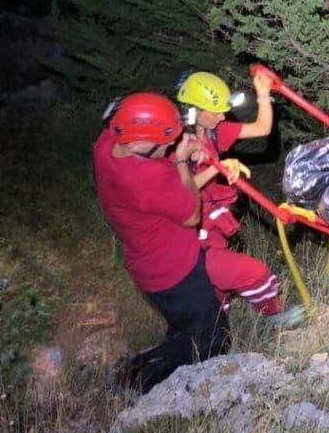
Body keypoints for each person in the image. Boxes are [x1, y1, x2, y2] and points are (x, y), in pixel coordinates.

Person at [94, 93, 230, 393]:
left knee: (186, 328)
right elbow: (192, 215)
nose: (170, 145)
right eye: (165, 142)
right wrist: (181, 159)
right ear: (138, 144)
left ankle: (162, 371)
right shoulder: (144, 179)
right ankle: (132, 378)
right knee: (213, 337)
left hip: (147, 264)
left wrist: (181, 149)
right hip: (174, 272)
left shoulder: (108, 143)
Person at [176, 68, 305, 329]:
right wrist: (218, 168)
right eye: (215, 111)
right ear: (194, 112)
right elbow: (180, 192)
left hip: (213, 233)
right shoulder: (178, 149)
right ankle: (274, 317)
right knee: (253, 273)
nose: (222, 116)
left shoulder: (214, 132)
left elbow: (262, 128)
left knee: (217, 298)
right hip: (191, 243)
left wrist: (263, 93)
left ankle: (215, 337)